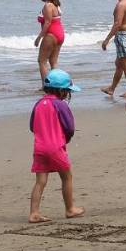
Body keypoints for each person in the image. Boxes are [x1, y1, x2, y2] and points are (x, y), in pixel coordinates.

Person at [29, 69, 84, 222]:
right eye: (67, 91)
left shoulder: (39, 104)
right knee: (67, 177)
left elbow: (32, 126)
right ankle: (70, 209)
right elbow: (69, 127)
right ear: (61, 91)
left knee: (40, 181)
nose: (67, 94)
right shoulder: (60, 105)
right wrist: (66, 137)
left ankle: (34, 213)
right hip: (55, 147)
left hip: (39, 148)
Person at [33, 0, 65, 81]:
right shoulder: (56, 5)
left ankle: (46, 86)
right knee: (53, 62)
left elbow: (47, 23)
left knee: (41, 61)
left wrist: (39, 38)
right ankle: (56, 84)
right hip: (60, 34)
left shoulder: (48, 6)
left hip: (51, 34)